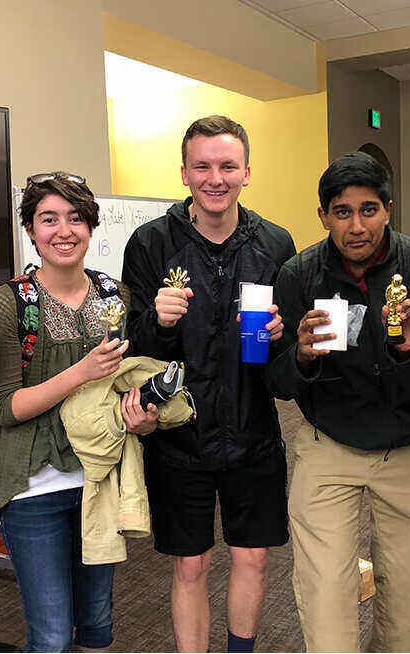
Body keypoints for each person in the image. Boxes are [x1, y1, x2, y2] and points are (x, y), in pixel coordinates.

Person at [122, 115, 295, 653]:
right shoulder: (151, 243)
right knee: (190, 564)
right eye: (202, 166)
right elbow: (133, 346)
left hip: (253, 430)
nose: (214, 177)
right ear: (184, 173)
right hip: (180, 436)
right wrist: (159, 320)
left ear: (247, 172)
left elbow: (284, 358)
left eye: (227, 165)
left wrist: (281, 333)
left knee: (253, 556)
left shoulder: (274, 242)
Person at [267, 152, 410, 652]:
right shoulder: (298, 274)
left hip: (408, 448)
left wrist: (409, 351)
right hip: (330, 448)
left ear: (388, 209)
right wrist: (301, 355)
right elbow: (277, 382)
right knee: (326, 598)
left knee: (405, 605)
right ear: (323, 216)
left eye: (368, 210)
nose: (356, 225)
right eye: (341, 212)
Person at [0, 172, 159, 652]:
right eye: (48, 219)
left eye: (76, 218)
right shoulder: (10, 301)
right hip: (33, 491)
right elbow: (4, 408)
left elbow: (119, 387)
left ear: (91, 227)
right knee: (52, 635)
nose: (64, 230)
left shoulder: (113, 296)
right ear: (31, 230)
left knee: (97, 623)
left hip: (99, 482)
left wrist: (141, 415)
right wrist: (79, 371)